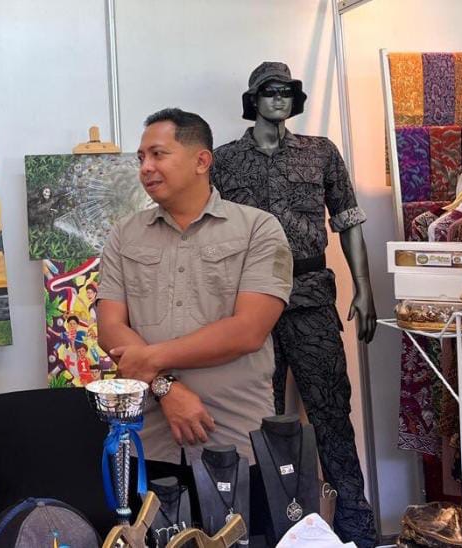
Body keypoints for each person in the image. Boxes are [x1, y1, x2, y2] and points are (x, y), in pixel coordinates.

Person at [211, 62, 376, 546]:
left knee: (332, 414)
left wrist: (364, 286)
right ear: (253, 100)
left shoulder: (320, 153)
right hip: (249, 305)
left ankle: (356, 528)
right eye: (269, 91)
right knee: (256, 420)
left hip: (310, 298)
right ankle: (267, 530)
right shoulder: (223, 161)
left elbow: (348, 220)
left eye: (286, 91)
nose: (279, 98)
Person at [97, 107, 292, 466]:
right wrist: (166, 388)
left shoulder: (259, 228)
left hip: (234, 434)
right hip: (148, 440)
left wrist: (149, 360)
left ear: (201, 161)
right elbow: (110, 327)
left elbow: (248, 331)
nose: (145, 167)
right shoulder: (125, 234)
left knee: (244, 507)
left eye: (158, 154)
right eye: (141, 158)